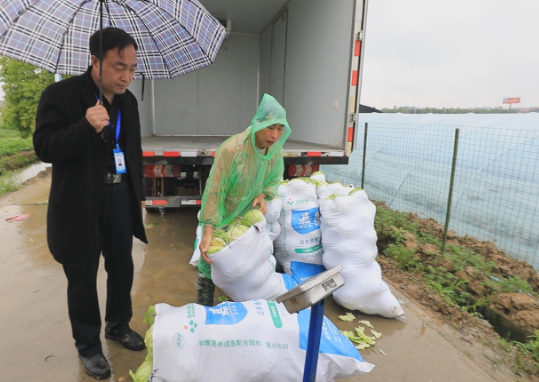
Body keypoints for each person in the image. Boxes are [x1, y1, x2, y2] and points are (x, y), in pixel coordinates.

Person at [34, 27, 148, 380]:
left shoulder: (128, 101)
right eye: (118, 67)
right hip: (78, 204)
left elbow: (133, 151)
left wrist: (138, 195)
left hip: (119, 196)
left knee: (122, 267)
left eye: (131, 68)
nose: (126, 76)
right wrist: (85, 125)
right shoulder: (61, 95)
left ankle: (117, 325)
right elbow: (45, 147)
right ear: (95, 61)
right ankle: (88, 345)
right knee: (81, 277)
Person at [197, 93, 292, 306]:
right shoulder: (232, 149)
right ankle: (204, 299)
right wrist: (209, 228)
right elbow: (215, 190)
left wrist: (263, 194)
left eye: (280, 128)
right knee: (211, 255)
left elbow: (274, 178)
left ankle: (239, 294)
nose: (275, 135)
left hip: (247, 211)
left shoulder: (274, 152)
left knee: (242, 256)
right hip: (224, 208)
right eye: (270, 127)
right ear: (259, 123)